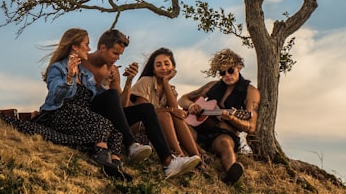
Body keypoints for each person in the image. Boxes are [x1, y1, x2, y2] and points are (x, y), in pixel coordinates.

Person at [81, 29, 200, 180]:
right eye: (115, 53)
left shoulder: (113, 71)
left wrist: (129, 81)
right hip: (87, 112)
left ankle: (169, 162)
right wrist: (103, 86)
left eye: (120, 55)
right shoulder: (82, 62)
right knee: (110, 94)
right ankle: (131, 144)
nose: (117, 58)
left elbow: (121, 107)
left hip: (110, 116)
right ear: (103, 48)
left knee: (147, 108)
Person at [18, 28, 128, 178]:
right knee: (103, 124)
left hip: (80, 115)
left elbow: (94, 97)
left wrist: (107, 83)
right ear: (75, 46)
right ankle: (100, 158)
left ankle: (115, 164)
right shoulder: (58, 68)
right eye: (86, 44)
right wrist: (69, 76)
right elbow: (56, 95)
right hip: (59, 112)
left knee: (116, 133)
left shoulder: (85, 73)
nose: (89, 48)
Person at [177, 48, 259, 185]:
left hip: (224, 135)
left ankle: (231, 172)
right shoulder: (212, 86)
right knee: (179, 122)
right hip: (200, 130)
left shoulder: (250, 91)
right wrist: (191, 106)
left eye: (230, 70)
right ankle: (201, 153)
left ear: (238, 67)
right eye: (222, 72)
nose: (227, 75)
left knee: (225, 144)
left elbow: (251, 127)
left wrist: (233, 118)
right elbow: (182, 99)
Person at [128, 47, 205, 169]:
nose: (163, 68)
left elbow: (177, 112)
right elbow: (144, 111)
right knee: (165, 114)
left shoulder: (171, 89)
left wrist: (166, 82)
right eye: (158, 65)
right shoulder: (145, 82)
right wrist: (169, 110)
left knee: (172, 115)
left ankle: (198, 160)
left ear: (173, 68)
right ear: (153, 70)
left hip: (157, 133)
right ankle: (179, 156)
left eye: (166, 64)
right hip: (139, 128)